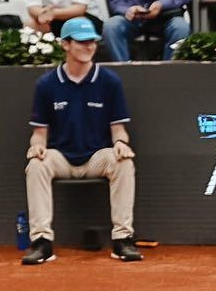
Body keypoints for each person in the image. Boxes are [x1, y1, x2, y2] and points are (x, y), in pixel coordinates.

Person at [22, 16, 141, 265]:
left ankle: (123, 239)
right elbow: (39, 133)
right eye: (81, 42)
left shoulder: (109, 82)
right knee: (36, 166)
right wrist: (37, 147)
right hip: (61, 157)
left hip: (98, 156)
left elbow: (118, 129)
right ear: (65, 44)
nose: (88, 47)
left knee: (123, 162)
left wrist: (120, 143)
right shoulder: (46, 84)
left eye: (92, 42)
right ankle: (42, 241)